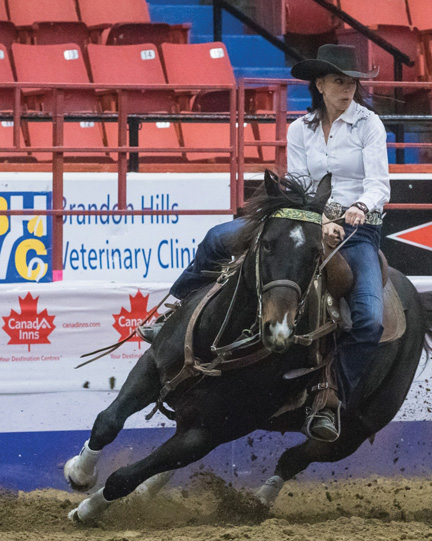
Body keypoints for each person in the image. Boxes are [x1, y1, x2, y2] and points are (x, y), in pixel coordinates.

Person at [139, 44, 390, 442]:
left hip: (360, 229)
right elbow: (303, 185)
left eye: (353, 82)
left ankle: (329, 397)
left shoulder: (369, 125)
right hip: (309, 221)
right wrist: (320, 220)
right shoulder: (299, 129)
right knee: (216, 239)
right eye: (340, 81)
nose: (349, 89)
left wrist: (358, 208)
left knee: (370, 319)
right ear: (320, 84)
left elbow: (378, 183)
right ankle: (173, 309)